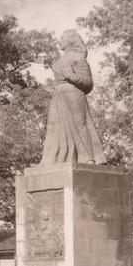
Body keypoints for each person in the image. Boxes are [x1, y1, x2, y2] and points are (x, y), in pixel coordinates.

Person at [40, 30, 106, 165]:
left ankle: (88, 157)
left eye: (62, 37)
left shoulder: (78, 58)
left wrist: (72, 76)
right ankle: (52, 159)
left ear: (70, 40)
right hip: (58, 96)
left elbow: (89, 83)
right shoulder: (58, 62)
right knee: (53, 127)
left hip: (74, 93)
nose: (60, 40)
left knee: (80, 124)